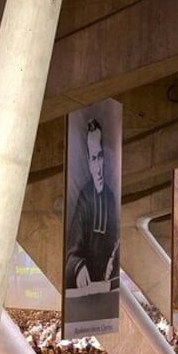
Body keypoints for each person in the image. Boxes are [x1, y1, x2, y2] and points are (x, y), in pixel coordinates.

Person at [65, 119, 119, 290]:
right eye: (93, 159)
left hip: (106, 286)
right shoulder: (85, 197)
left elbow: (115, 243)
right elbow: (73, 248)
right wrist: (79, 266)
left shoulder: (110, 197)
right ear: (89, 161)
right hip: (87, 288)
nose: (98, 167)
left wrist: (113, 260)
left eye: (101, 157)